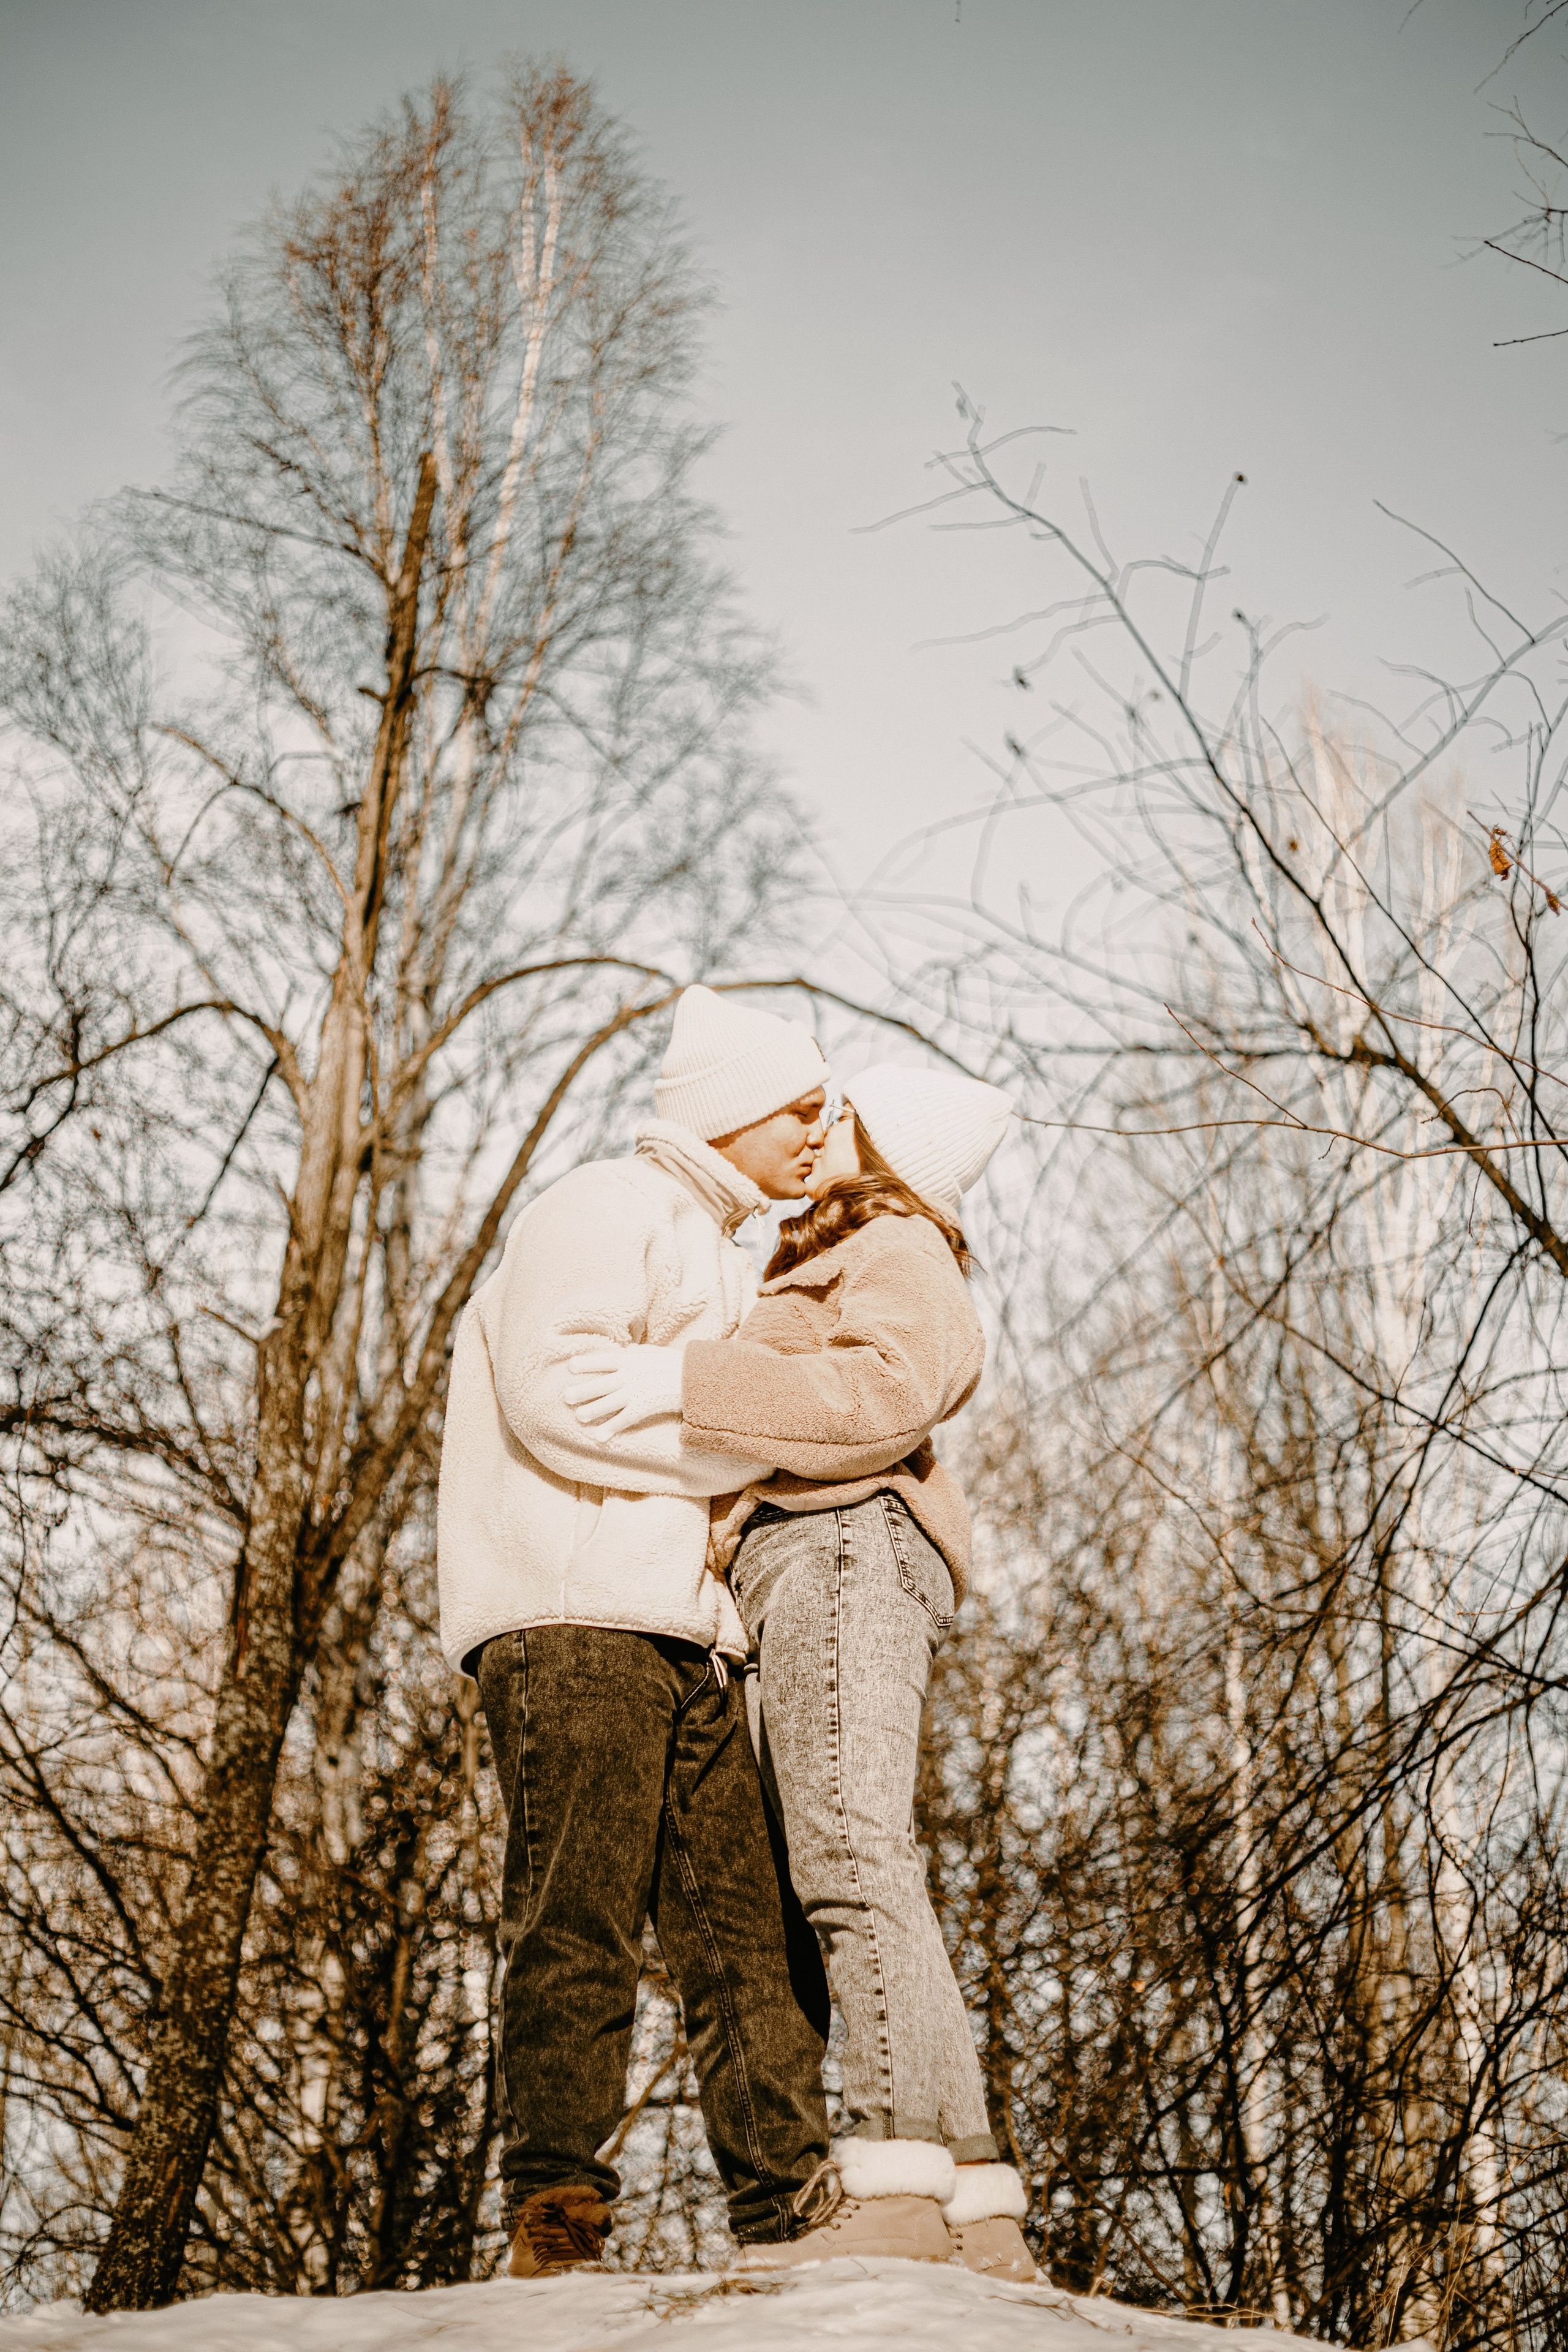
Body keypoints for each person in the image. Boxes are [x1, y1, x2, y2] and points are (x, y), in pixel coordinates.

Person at [565, 1063, 1036, 2280]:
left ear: (891, 1153)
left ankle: (889, 2176)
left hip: (842, 1538)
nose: (820, 1124)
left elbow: (882, 1395)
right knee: (857, 1856)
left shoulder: (898, 1247)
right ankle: (971, 2206)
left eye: (845, 1115)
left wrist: (685, 1381)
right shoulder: (843, 1249)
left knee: (842, 1852)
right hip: (815, 1554)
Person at [436, 986, 838, 2277]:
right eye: (801, 1107)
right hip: (572, 1621)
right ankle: (557, 2216)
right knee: (578, 1916)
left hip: (691, 1635)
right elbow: (559, 1397)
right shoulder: (601, 1206)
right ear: (728, 1109)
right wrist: (736, 1459)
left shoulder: (726, 1247)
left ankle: (787, 2214)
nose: (821, 1133)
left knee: (746, 1943)